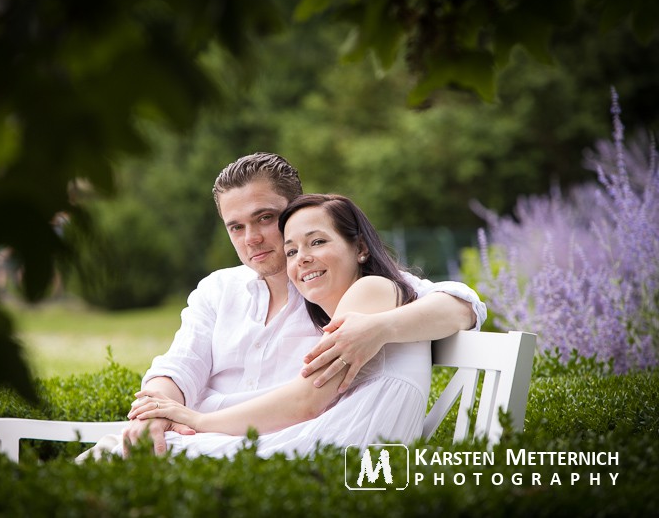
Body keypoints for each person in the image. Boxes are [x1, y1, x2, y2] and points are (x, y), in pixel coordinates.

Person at [77, 152, 485, 459]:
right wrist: (155, 413)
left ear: (294, 209)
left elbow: (461, 307)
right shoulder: (218, 289)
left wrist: (380, 328)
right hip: (204, 439)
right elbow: (179, 367)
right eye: (236, 226)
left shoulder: (336, 284)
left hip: (264, 447)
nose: (251, 237)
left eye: (264, 218)